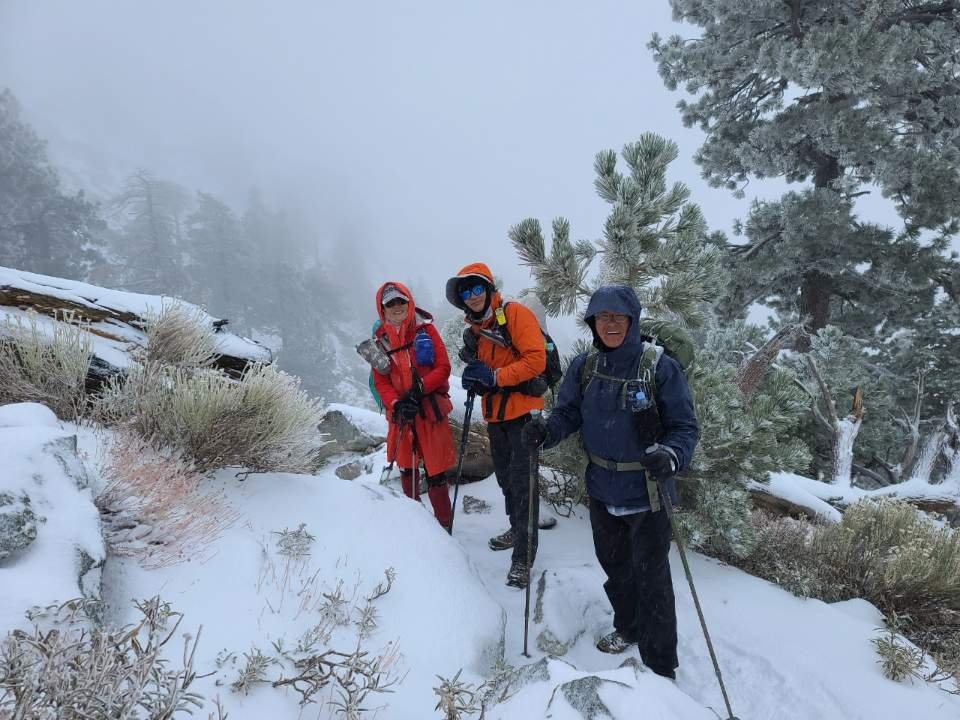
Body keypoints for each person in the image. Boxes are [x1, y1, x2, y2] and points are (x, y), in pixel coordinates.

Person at [520, 285, 699, 679]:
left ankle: (660, 664)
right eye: (603, 317)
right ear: (593, 323)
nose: (611, 324)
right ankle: (628, 627)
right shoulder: (586, 368)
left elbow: (685, 428)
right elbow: (567, 414)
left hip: (649, 493)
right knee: (616, 568)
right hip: (601, 489)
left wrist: (670, 455)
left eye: (619, 317)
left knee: (652, 579)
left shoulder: (659, 368)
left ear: (632, 321)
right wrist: (546, 431)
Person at [444, 263, 546, 588]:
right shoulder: (477, 330)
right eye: (465, 292)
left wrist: (496, 377)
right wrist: (480, 379)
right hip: (497, 416)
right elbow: (490, 371)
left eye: (477, 289)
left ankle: (523, 558)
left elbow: (536, 360)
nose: (472, 296)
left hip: (524, 416)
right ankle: (517, 530)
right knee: (505, 479)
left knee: (523, 483)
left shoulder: (514, 314)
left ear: (488, 289)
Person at [371, 281, 455, 531]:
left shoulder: (426, 331)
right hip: (401, 415)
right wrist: (395, 403)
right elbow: (380, 380)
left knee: (436, 472)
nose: (396, 307)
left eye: (400, 301)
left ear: (409, 303)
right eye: (390, 303)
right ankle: (414, 529)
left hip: (430, 411)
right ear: (382, 309)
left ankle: (443, 527)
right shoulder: (380, 342)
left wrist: (420, 388)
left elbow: (443, 368)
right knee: (407, 469)